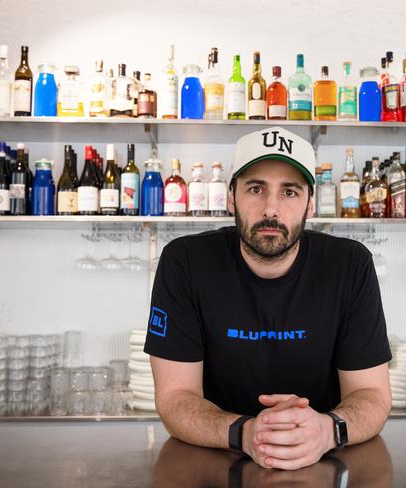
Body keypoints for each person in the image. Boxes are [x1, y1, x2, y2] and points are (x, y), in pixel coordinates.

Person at [144, 126, 392, 471]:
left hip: (326, 463)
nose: (271, 209)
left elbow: (373, 395)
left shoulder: (350, 265)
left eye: (289, 191)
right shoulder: (185, 262)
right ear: (231, 196)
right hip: (214, 464)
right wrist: (245, 433)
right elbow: (174, 399)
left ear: (310, 201)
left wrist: (327, 430)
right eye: (256, 188)